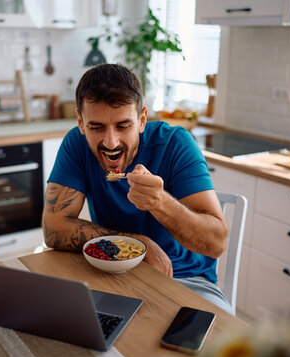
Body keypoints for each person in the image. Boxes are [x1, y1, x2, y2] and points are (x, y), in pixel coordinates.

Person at [42, 63, 231, 313]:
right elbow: (54, 228)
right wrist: (137, 244)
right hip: (108, 274)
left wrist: (160, 202)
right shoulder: (76, 144)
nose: (111, 142)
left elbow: (216, 243)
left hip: (185, 279)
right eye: (96, 127)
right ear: (80, 122)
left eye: (123, 126)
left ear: (142, 120)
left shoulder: (176, 144)